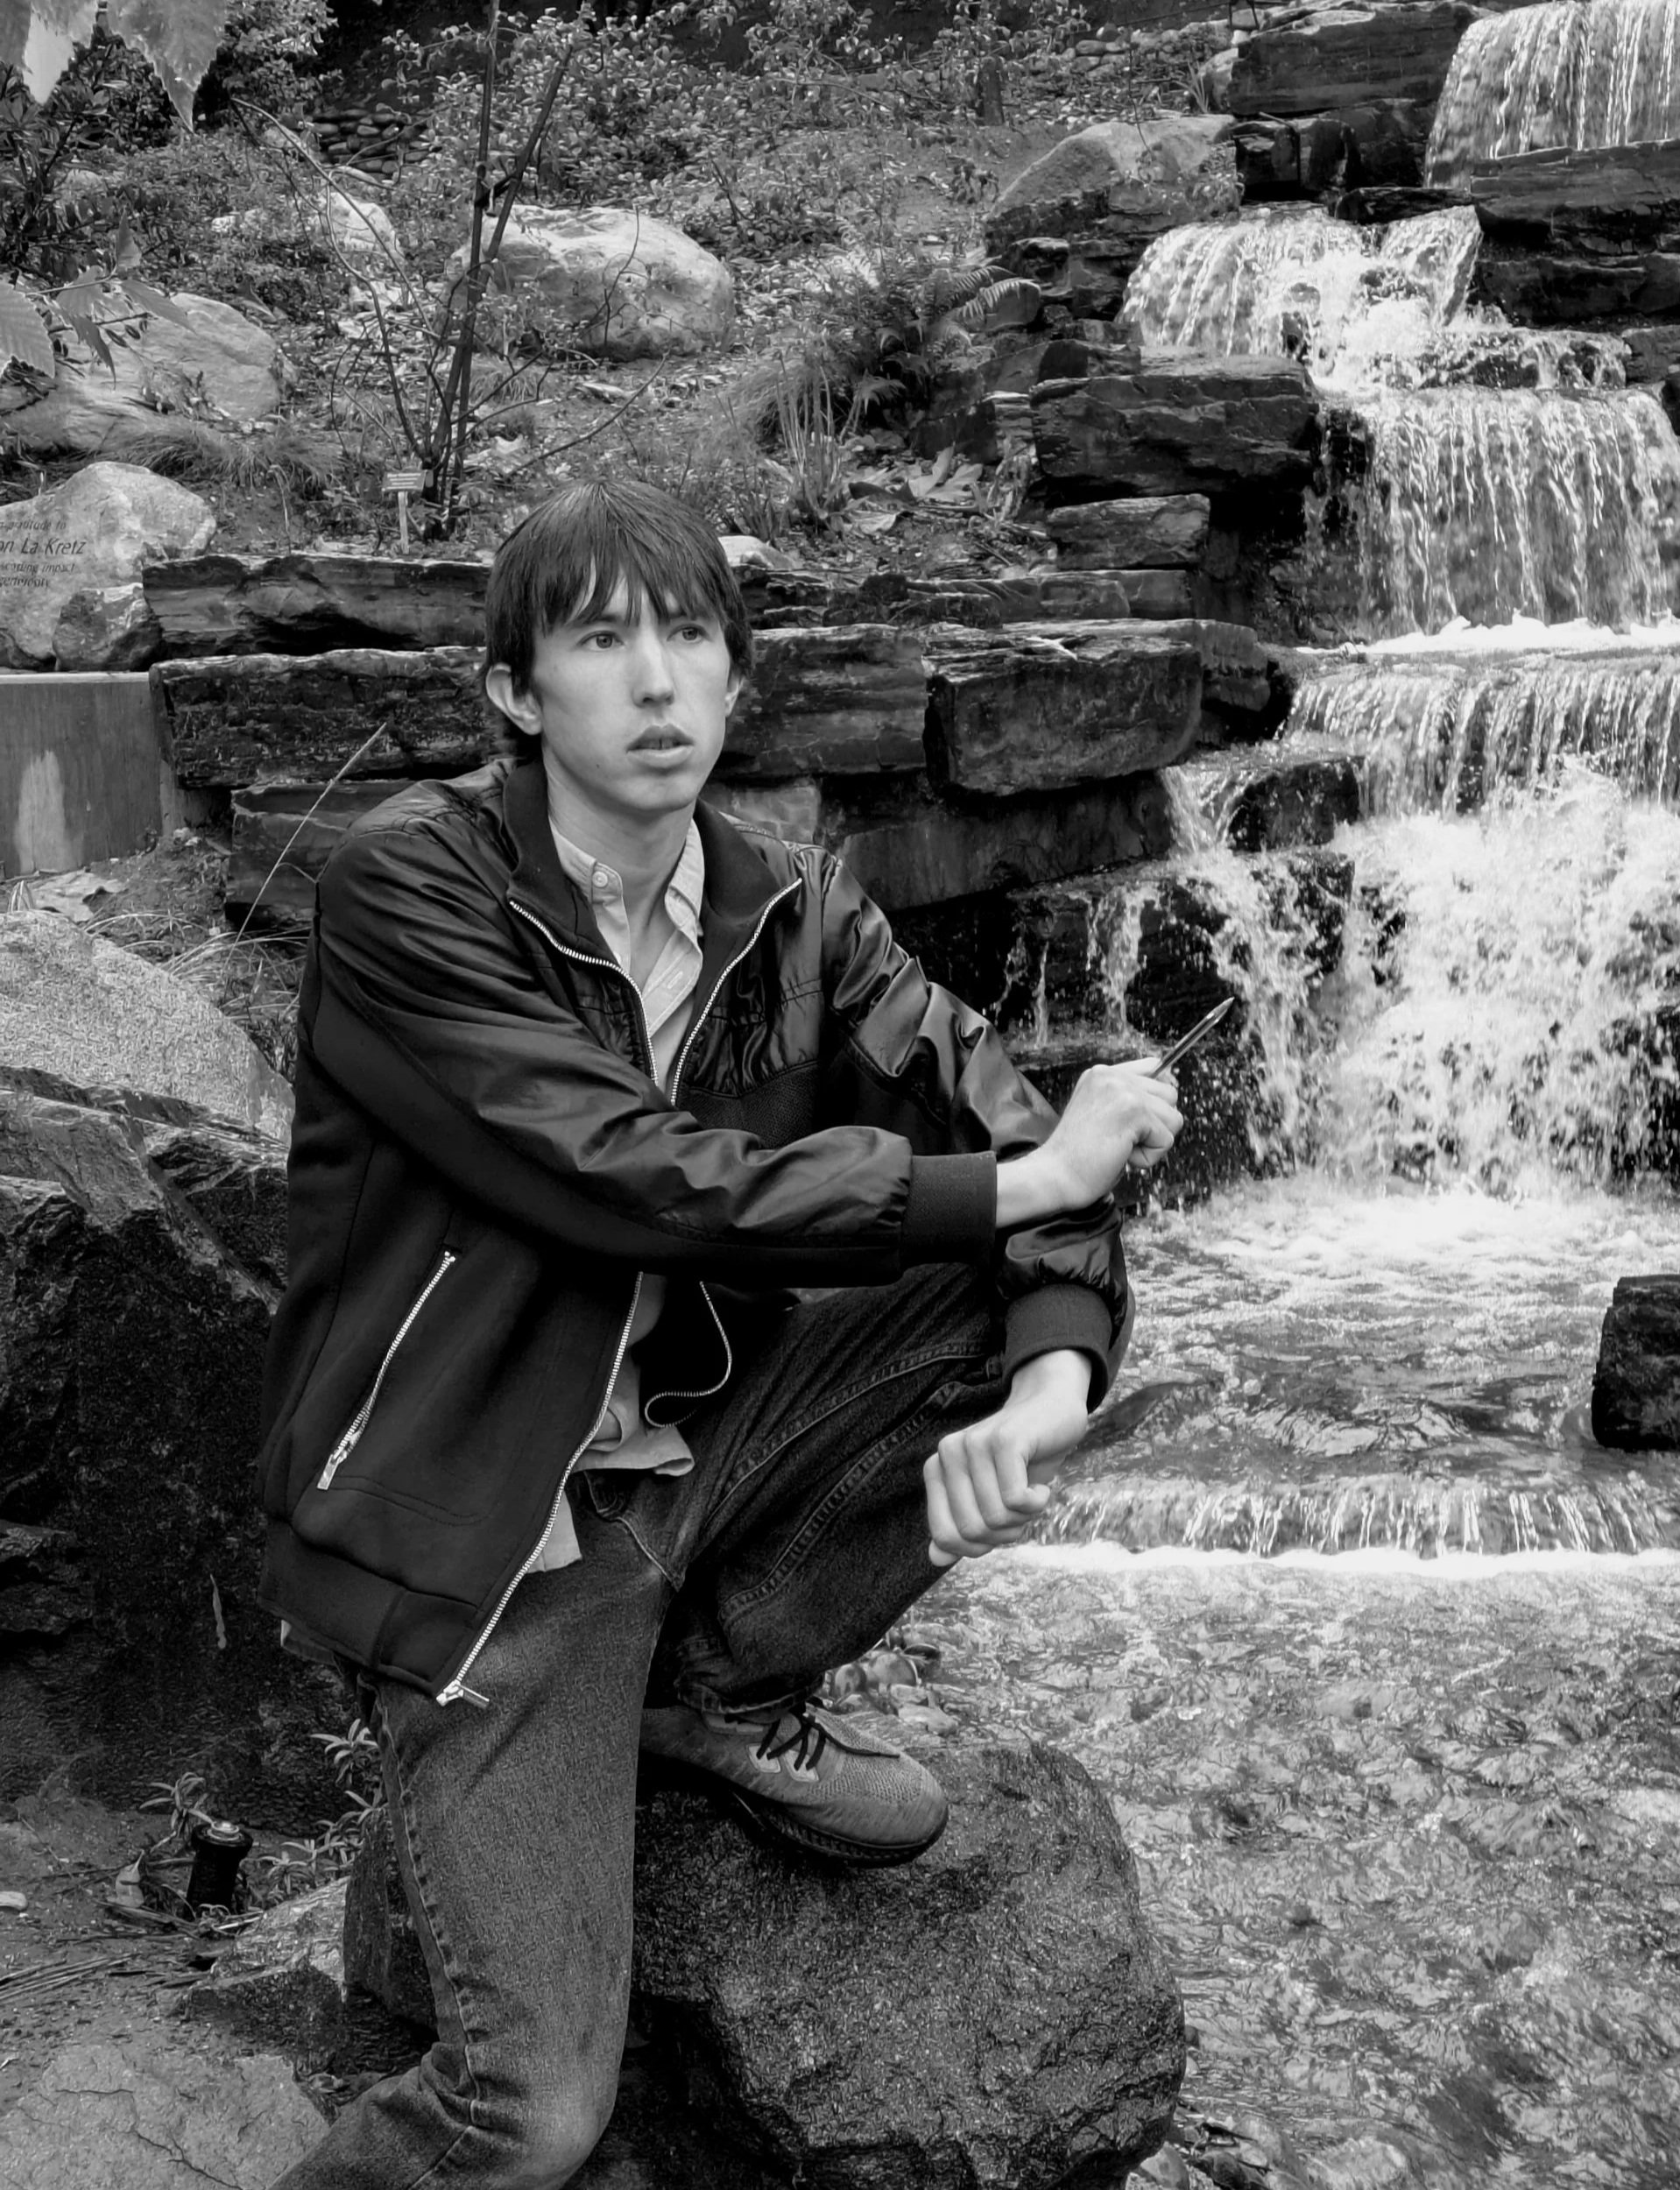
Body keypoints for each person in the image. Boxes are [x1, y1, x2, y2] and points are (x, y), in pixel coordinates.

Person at [258, 477, 1182, 2189]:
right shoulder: (410, 894)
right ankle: (606, 1701)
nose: (661, 684)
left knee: (1013, 1283)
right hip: (488, 1528)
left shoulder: (795, 913)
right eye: (604, 642)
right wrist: (1014, 1178)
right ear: (518, 696)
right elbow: (627, 1176)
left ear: (738, 681)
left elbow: (1001, 1113)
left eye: (691, 636)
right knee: (526, 2117)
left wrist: (1052, 1381)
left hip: (696, 1447)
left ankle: (712, 1677)